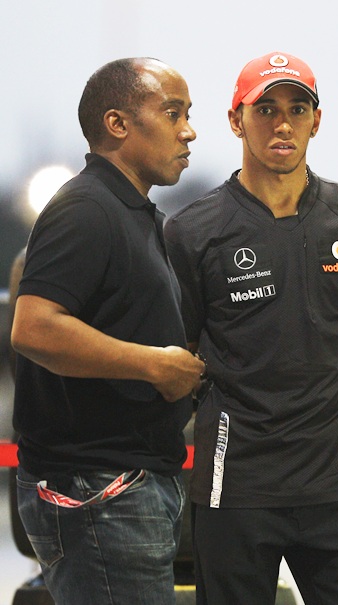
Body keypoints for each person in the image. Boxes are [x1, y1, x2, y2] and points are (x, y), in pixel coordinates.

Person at [164, 51, 338, 605]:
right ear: (235, 120)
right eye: (265, 108)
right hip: (234, 490)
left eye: (298, 107)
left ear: (317, 120)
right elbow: (183, 351)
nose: (282, 122)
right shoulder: (191, 231)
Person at [10, 57, 205, 605]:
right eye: (173, 113)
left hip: (128, 485)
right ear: (118, 124)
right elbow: (34, 328)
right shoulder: (85, 209)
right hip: (101, 492)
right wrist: (153, 364)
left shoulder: (139, 215)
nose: (188, 130)